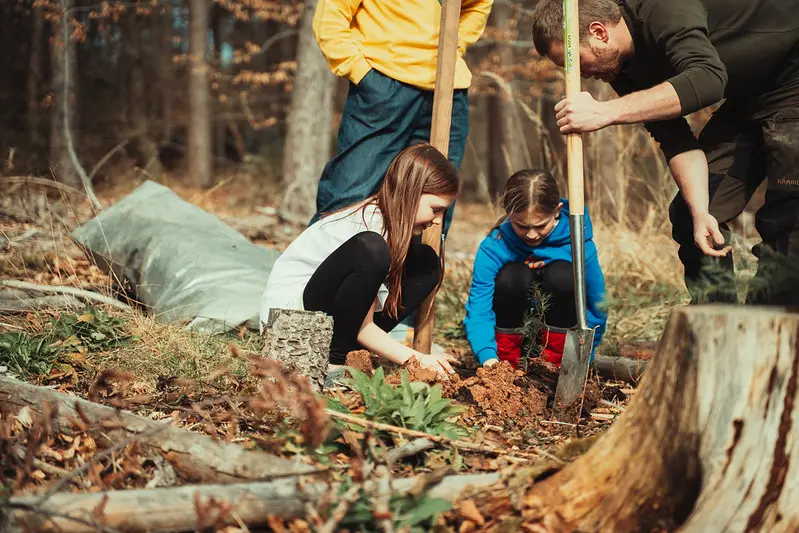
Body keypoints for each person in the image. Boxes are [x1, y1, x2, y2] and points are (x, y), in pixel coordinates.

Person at [531, 0, 799, 305]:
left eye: (577, 63)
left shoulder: (662, 7)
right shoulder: (622, 69)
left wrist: (607, 111)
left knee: (789, 225)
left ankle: (768, 334)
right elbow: (676, 141)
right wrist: (700, 213)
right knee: (691, 215)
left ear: (599, 32)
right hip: (748, 96)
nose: (581, 76)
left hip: (792, 78)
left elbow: (708, 78)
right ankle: (715, 331)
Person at [261, 143, 458, 377]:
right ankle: (333, 365)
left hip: (329, 322)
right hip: (291, 326)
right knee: (371, 249)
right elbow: (363, 328)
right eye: (435, 209)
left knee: (427, 264)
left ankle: (349, 353)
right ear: (410, 193)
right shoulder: (369, 229)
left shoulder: (391, 228)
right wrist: (416, 359)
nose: (438, 220)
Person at [310, 0, 493, 236]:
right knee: (350, 197)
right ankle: (315, 271)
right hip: (384, 81)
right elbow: (331, 16)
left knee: (433, 204)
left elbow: (480, 3)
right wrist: (361, 73)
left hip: (448, 89)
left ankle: (409, 274)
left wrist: (455, 44)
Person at [463, 169, 608, 368]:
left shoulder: (578, 245)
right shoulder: (495, 246)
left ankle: (553, 365)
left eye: (540, 226)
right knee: (513, 276)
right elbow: (479, 307)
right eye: (521, 226)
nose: (531, 235)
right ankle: (510, 362)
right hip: (512, 334)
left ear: (557, 211)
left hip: (559, 334)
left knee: (563, 275)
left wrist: (586, 353)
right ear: (509, 214)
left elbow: (597, 303)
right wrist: (488, 357)